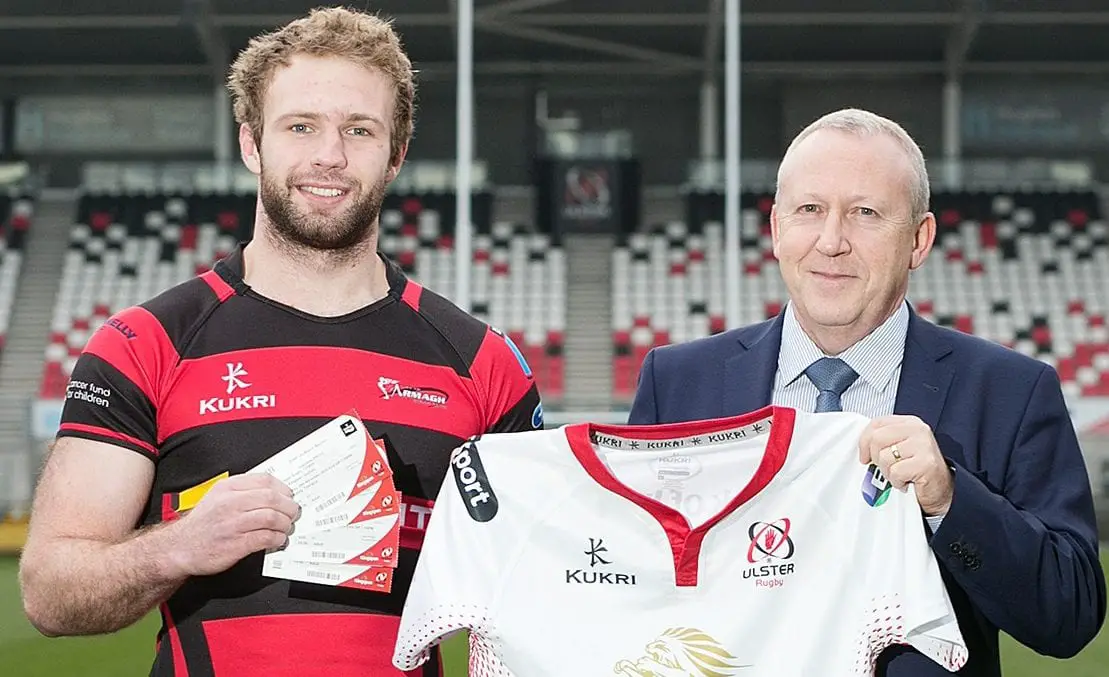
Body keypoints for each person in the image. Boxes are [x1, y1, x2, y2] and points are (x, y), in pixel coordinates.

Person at [19, 7, 541, 677]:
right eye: (301, 126)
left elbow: (536, 590)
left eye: (359, 129)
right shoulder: (143, 344)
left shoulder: (483, 363)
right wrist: (179, 546)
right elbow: (50, 591)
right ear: (251, 143)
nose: (329, 154)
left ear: (396, 154)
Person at [628, 108, 1106, 676]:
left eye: (866, 213)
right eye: (810, 210)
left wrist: (950, 500)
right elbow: (627, 582)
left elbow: (1069, 616)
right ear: (777, 229)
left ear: (919, 240)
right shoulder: (677, 383)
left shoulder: (1011, 391)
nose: (832, 242)